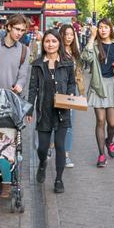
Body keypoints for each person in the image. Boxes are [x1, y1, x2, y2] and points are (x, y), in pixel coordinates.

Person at [26, 29, 76, 193]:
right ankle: (42, 164)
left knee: (60, 146)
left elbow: (71, 83)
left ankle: (59, 179)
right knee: (42, 148)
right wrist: (30, 109)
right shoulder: (38, 64)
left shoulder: (67, 62)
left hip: (62, 111)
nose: (51, 44)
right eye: (47, 41)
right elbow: (32, 88)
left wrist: (70, 94)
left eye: (54, 41)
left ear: (59, 43)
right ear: (43, 43)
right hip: (44, 110)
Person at [80, 19, 114, 168]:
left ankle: (109, 141)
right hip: (98, 85)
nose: (103, 30)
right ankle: (101, 155)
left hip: (113, 85)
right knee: (100, 121)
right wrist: (91, 37)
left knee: (112, 122)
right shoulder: (95, 46)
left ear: (110, 29)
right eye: (100, 28)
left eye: (105, 27)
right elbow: (85, 57)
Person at [58, 23, 85, 168]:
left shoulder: (75, 53)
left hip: (71, 91)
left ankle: (66, 155)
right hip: (56, 90)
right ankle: (50, 146)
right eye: (66, 34)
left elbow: (79, 75)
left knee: (68, 124)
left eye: (71, 35)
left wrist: (81, 93)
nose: (68, 37)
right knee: (53, 121)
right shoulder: (55, 49)